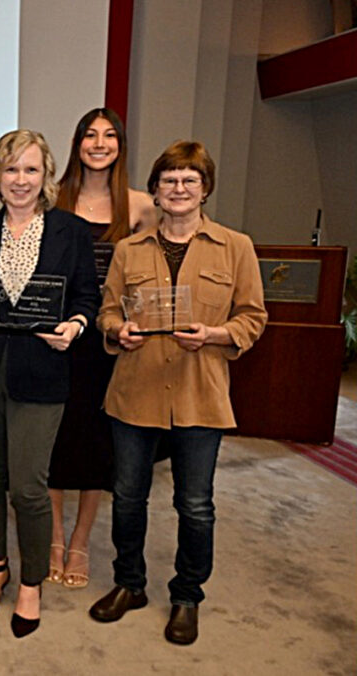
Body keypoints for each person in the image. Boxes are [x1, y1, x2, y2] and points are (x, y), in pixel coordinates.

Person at [88, 140, 266, 645]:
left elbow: (253, 317)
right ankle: (130, 585)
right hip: (135, 390)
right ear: (156, 191)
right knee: (126, 498)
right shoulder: (129, 249)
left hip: (199, 393)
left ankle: (187, 595)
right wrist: (117, 330)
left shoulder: (237, 247)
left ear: (205, 188)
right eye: (170, 180)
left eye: (190, 179)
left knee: (195, 504)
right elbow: (107, 311)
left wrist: (214, 336)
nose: (180, 188)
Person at [0, 130, 99, 638]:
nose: (20, 180)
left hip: (41, 374)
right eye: (11, 169)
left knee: (30, 489)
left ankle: (31, 583)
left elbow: (88, 296)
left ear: (47, 176)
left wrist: (76, 326)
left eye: (31, 169)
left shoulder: (72, 232)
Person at [47, 108, 157, 589]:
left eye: (109, 135)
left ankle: (80, 540)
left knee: (96, 444)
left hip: (110, 343)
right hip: (56, 337)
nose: (99, 143)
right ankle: (52, 537)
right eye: (89, 134)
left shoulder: (140, 205)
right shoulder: (53, 198)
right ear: (76, 143)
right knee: (50, 437)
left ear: (120, 146)